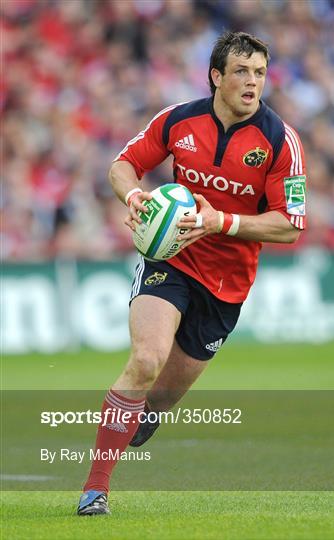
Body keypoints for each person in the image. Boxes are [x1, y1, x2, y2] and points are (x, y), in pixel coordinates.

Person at [77, 30, 306, 516]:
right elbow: (122, 166)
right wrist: (135, 197)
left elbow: (290, 225)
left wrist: (220, 221)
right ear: (216, 76)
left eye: (260, 73)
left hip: (228, 286)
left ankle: (144, 417)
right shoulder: (179, 120)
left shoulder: (280, 142)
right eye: (242, 71)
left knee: (157, 401)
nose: (252, 82)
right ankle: (95, 489)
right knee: (145, 360)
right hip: (173, 260)